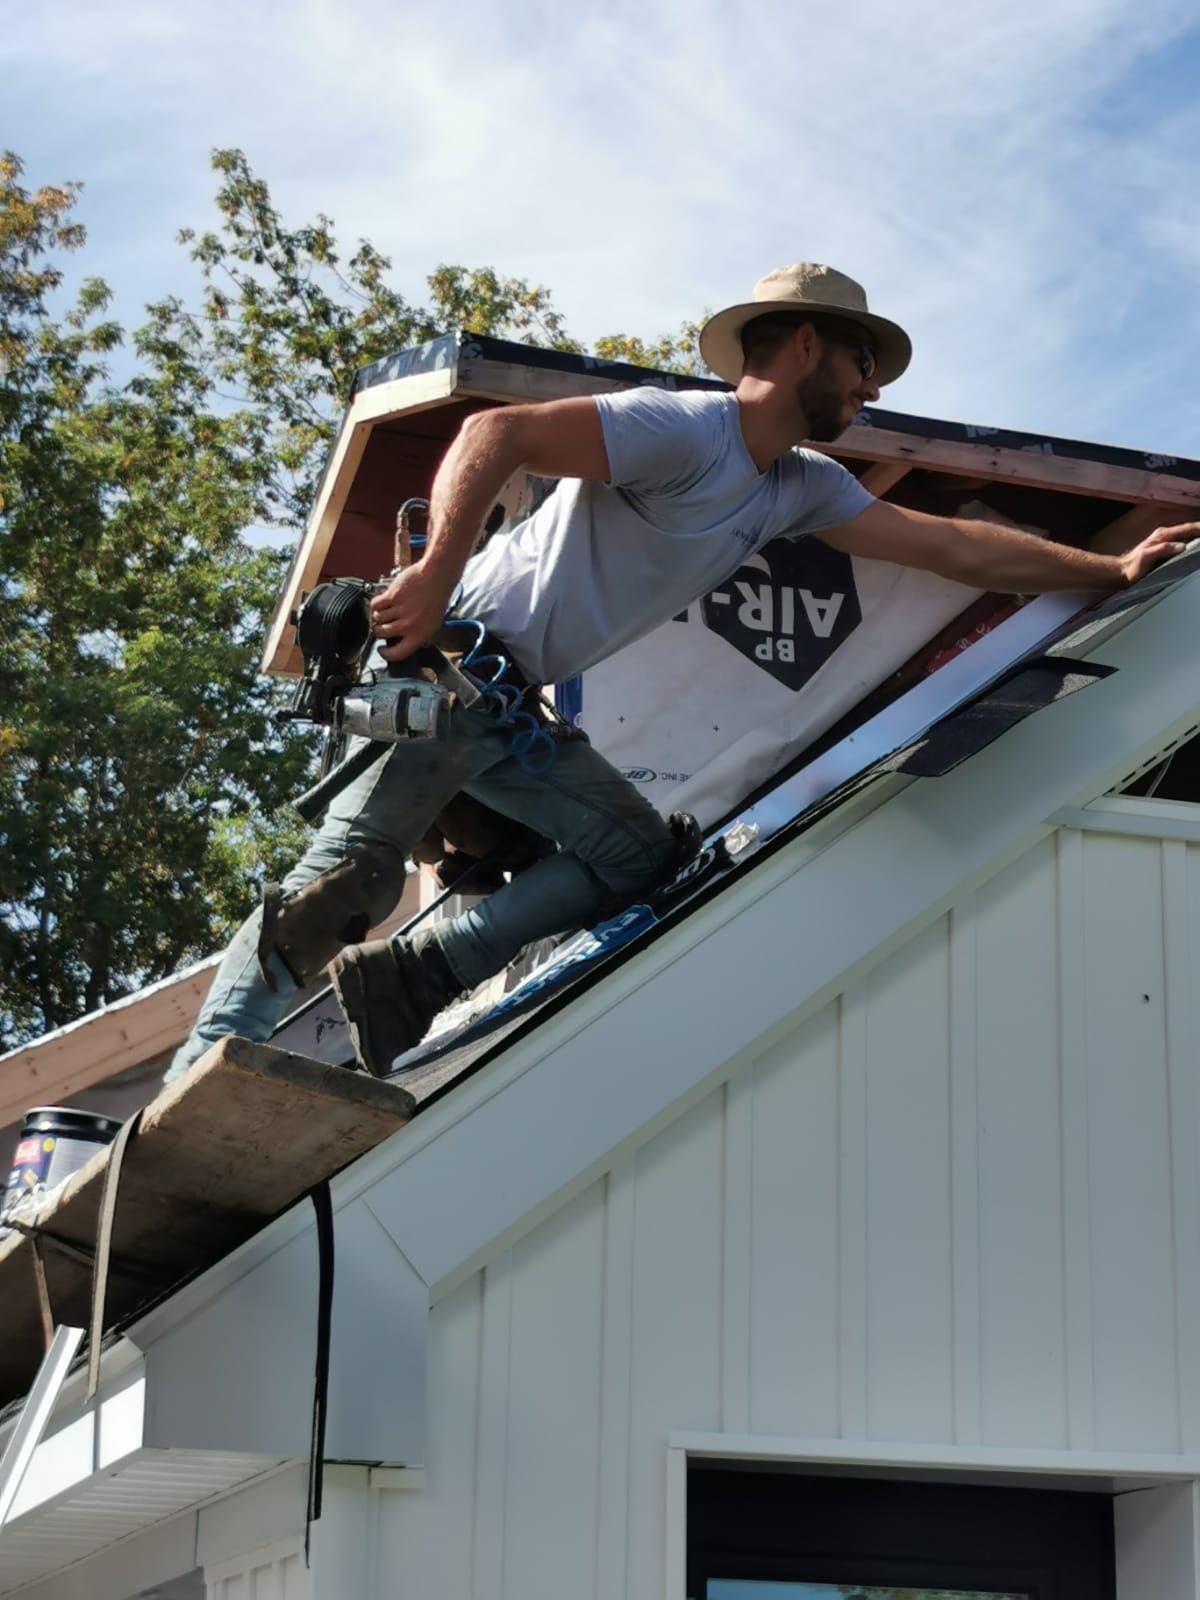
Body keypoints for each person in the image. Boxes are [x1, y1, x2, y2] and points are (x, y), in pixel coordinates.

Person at [167, 262, 1194, 1080]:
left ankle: (413, 978)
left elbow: (953, 550)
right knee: (343, 878)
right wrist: (434, 573)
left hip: (510, 713)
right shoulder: (681, 431)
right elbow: (496, 430)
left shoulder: (798, 488)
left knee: (635, 857)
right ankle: (195, 1083)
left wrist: (1111, 566)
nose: (871, 387)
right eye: (859, 362)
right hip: (450, 670)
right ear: (801, 347)